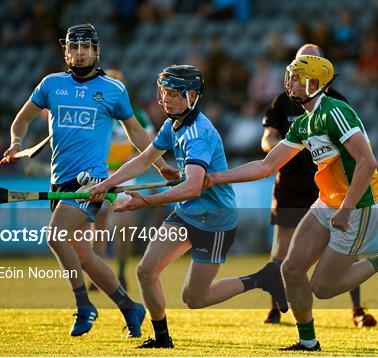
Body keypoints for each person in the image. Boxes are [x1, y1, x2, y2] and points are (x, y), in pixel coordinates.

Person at [204, 54, 378, 351]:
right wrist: (216, 177)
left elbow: (367, 163)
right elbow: (266, 166)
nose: (289, 82)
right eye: (289, 76)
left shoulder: (335, 112)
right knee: (290, 269)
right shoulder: (303, 123)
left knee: (322, 289)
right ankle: (308, 342)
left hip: (357, 207)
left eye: (295, 78)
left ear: (314, 83)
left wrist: (346, 208)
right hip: (326, 203)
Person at [0, 23, 179, 338]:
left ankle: (84, 307)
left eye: (86, 48)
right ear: (66, 51)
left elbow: (136, 132)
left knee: (55, 237)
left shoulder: (113, 89)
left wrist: (161, 164)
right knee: (84, 256)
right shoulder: (51, 85)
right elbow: (22, 119)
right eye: (74, 48)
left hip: (91, 182)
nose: (79, 54)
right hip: (60, 182)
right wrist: (16, 143)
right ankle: (129, 307)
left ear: (96, 51)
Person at [88, 65, 288, 349]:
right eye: (163, 92)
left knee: (194, 299)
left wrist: (147, 201)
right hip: (186, 214)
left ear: (192, 95)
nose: (165, 99)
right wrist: (107, 183)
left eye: (173, 94)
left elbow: (194, 187)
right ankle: (161, 339)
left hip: (215, 220)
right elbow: (145, 159)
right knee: (146, 271)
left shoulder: (198, 134)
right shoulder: (173, 125)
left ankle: (261, 279)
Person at [261, 43, 376, 327]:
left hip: (326, 184)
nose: (294, 78)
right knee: (283, 253)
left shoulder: (335, 103)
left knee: (342, 250)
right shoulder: (283, 102)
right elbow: (267, 142)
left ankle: (357, 309)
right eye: (295, 67)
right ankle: (278, 309)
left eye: (304, 68)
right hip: (288, 183)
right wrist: (289, 147)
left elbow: (364, 158)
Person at [89, 69, 156, 292]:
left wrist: (134, 158)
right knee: (98, 227)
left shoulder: (137, 115)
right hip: (99, 175)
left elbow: (152, 147)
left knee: (124, 227)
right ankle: (99, 277)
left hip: (126, 177)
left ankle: (121, 271)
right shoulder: (95, 114)